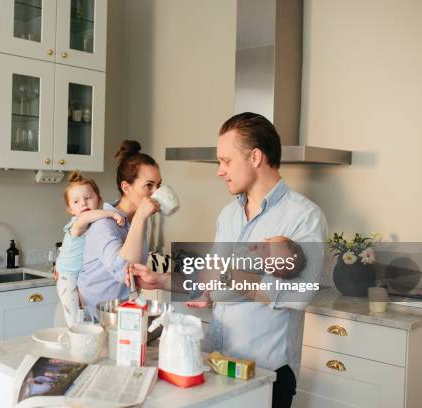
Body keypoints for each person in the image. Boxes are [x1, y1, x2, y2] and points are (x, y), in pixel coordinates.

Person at [128, 112, 327, 408]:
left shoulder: (304, 217)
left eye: (226, 160)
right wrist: (164, 279)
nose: (220, 171)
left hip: (266, 374)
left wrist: (226, 276)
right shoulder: (229, 214)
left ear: (256, 157)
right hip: (216, 364)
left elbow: (297, 295)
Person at [76, 140, 161, 316]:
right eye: (149, 185)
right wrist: (140, 217)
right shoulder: (103, 225)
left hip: (122, 313)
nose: (155, 193)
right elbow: (123, 272)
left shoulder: (136, 220)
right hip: (94, 319)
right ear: (126, 187)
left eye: (158, 186)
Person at [55, 171, 125, 327]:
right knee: (74, 318)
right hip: (67, 277)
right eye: (76, 202)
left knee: (84, 312)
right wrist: (112, 213)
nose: (83, 204)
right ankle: (76, 338)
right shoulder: (77, 223)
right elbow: (86, 217)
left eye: (88, 198)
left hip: (80, 276)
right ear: (70, 209)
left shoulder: (99, 225)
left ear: (99, 200)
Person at [186, 235, 307, 308]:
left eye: (267, 247)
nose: (264, 241)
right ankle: (204, 294)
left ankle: (204, 296)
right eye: (269, 240)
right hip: (213, 280)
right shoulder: (257, 258)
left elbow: (230, 264)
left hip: (217, 282)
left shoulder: (255, 262)